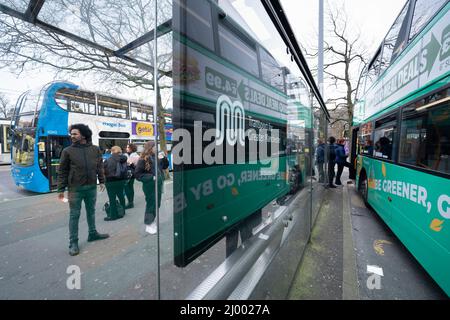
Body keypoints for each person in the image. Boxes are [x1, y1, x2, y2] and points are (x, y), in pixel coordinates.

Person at [57, 124, 109, 256]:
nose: (72, 136)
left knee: (91, 212)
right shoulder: (67, 151)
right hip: (75, 189)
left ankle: (93, 233)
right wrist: (61, 189)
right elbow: (62, 171)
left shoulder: (95, 149)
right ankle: (73, 242)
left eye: (75, 134)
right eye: (71, 134)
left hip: (91, 187)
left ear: (84, 135)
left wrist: (102, 180)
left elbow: (99, 167)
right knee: (74, 215)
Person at [134, 141, 164, 235]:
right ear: (150, 148)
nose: (157, 149)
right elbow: (138, 174)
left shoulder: (155, 157)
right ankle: (148, 224)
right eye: (155, 147)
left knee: (157, 204)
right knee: (151, 204)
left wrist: (164, 159)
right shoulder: (143, 159)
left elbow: (164, 167)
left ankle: (151, 221)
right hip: (150, 186)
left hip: (158, 185)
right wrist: (152, 177)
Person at [103, 145, 128, 221]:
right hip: (121, 180)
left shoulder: (108, 160)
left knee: (112, 198)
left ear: (113, 151)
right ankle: (122, 211)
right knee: (121, 195)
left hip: (110, 181)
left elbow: (104, 170)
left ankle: (113, 215)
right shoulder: (124, 158)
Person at [124, 143, 140, 209]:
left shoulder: (135, 156)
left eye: (128, 147)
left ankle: (130, 202)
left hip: (130, 174)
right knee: (130, 187)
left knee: (127, 187)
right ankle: (131, 202)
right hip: (130, 173)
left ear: (131, 148)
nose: (126, 148)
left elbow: (129, 163)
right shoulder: (128, 155)